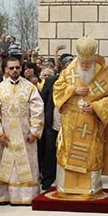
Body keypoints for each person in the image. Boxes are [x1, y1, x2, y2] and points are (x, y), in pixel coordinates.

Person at [50, 37, 108, 200]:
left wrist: (95, 107)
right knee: (68, 153)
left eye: (88, 63)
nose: (85, 65)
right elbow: (57, 90)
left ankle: (91, 188)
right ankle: (66, 188)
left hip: (91, 124)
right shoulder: (68, 71)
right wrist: (74, 90)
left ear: (93, 59)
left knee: (91, 154)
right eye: (82, 62)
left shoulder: (102, 72)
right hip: (71, 123)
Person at [0, 55, 44, 205]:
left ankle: (25, 196)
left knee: (25, 165)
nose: (15, 70)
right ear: (5, 69)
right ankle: (4, 195)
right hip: (6, 135)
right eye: (11, 68)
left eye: (17, 67)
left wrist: (34, 131)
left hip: (25, 135)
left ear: (21, 68)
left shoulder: (30, 88)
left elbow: (38, 110)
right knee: (6, 166)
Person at [38, 52, 72, 190]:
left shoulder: (79, 82)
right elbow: (42, 101)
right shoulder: (52, 80)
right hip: (54, 123)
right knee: (50, 153)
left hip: (71, 124)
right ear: (62, 67)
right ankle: (47, 181)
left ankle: (70, 181)